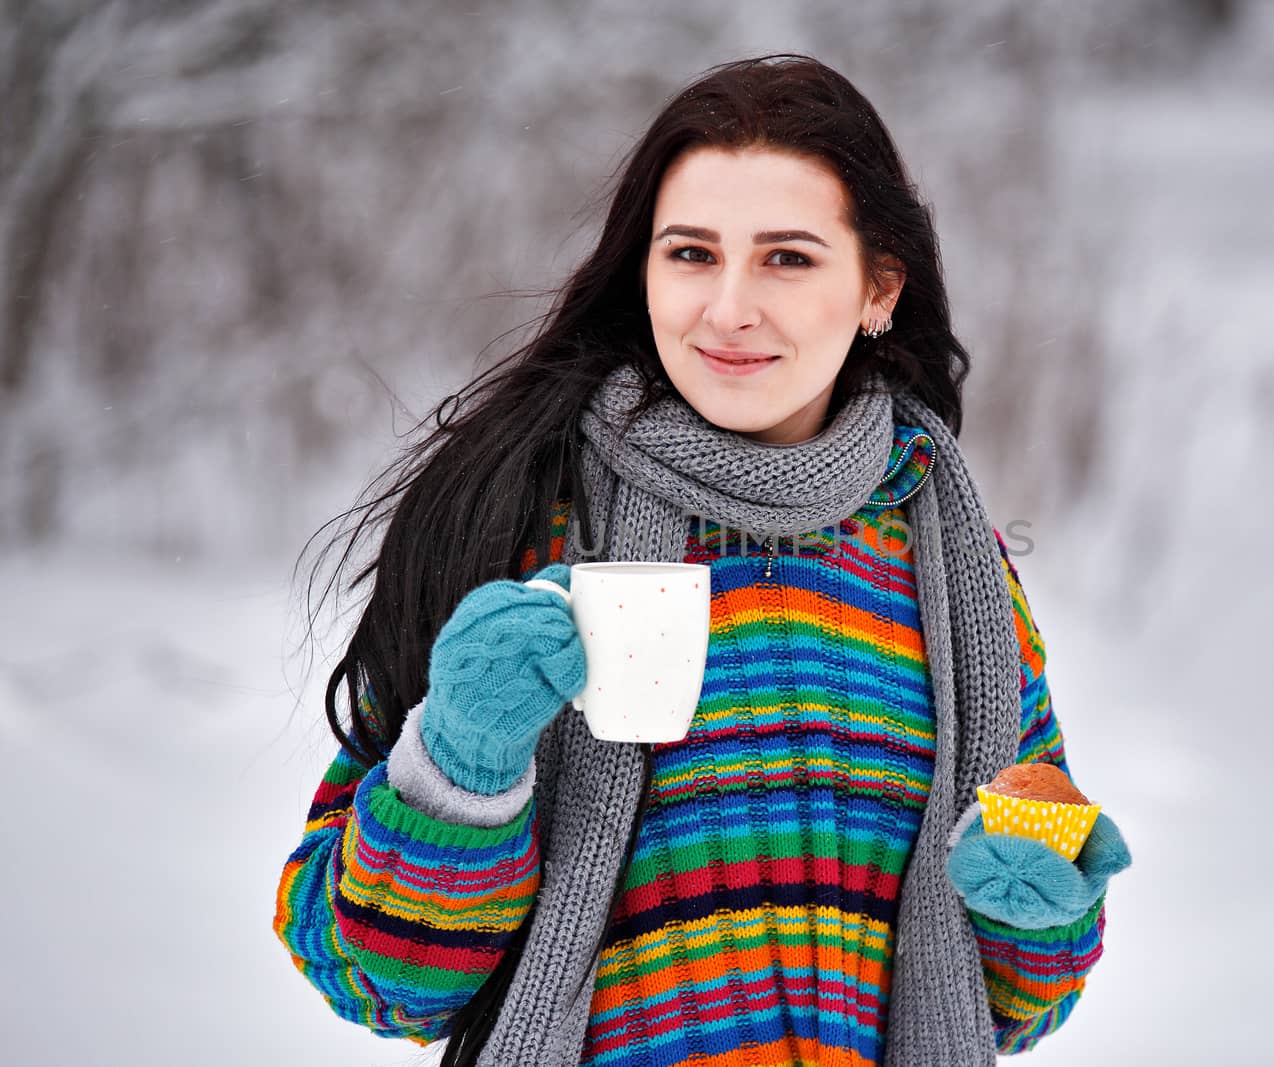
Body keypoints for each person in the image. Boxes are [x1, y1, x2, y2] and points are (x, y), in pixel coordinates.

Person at [272, 52, 1131, 1067]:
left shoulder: (956, 568)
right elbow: (374, 977)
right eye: (690, 253)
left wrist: (1043, 898)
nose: (727, 308)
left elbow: (1017, 1000)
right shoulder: (517, 519)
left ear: (877, 288)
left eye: (787, 258)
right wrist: (460, 763)